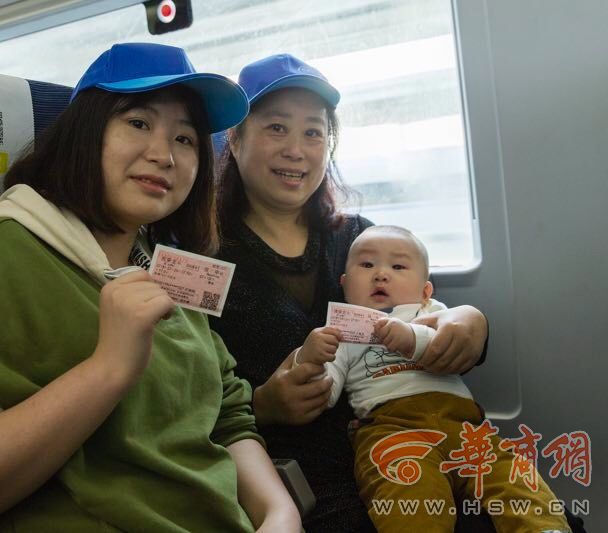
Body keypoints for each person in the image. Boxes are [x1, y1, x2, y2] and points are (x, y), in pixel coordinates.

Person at [0, 43, 300, 533]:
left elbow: (225, 412)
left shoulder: (161, 259)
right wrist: (108, 370)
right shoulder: (1, 254)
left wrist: (278, 512)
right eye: (138, 123)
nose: (163, 155)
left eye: (185, 139)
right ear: (84, 133)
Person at [209, 53, 490, 532]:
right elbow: (187, 393)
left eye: (313, 132)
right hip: (304, 481)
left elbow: (422, 315)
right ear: (233, 140)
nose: (296, 150)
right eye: (277, 128)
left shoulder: (358, 240)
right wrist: (264, 406)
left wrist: (471, 323)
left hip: (413, 441)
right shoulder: (206, 259)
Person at [295, 225, 570, 532]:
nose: (381, 274)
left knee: (514, 479)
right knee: (408, 498)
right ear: (344, 284)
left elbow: (444, 348)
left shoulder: (431, 312)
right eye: (367, 265)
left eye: (398, 266)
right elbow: (327, 393)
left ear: (426, 291)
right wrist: (313, 359)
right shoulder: (344, 333)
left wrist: (410, 337)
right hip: (392, 429)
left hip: (464, 425)